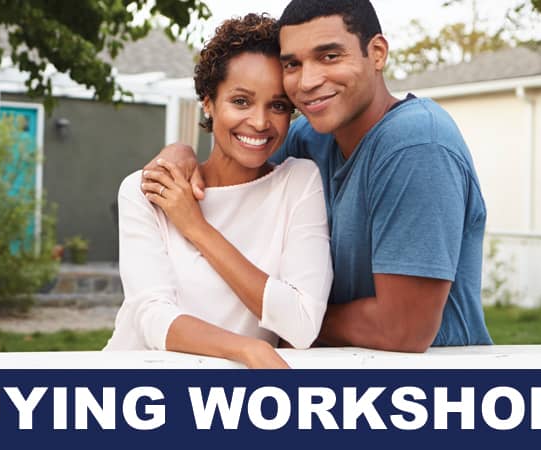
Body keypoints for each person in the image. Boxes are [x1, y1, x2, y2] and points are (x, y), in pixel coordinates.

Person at [144, 0, 493, 352]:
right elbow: (236, 161)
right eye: (292, 64)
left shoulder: (417, 145)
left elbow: (402, 329)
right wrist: (180, 153)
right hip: (326, 372)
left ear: (376, 53)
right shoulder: (311, 140)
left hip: (430, 375)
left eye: (329, 56)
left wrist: (297, 318)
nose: (308, 81)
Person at [103, 14, 333, 368]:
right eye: (240, 101)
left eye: (277, 106)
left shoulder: (298, 183)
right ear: (208, 102)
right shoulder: (149, 188)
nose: (260, 122)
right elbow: (150, 317)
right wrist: (246, 349)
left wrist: (197, 228)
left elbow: (302, 324)